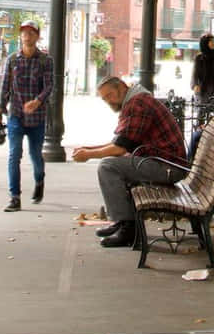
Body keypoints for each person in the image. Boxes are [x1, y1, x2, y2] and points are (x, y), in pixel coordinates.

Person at [71, 77, 189, 248]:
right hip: (160, 162)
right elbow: (120, 142)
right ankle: (122, 222)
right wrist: (88, 149)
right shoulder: (134, 100)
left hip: (168, 167)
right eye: (104, 99)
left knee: (108, 166)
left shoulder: (137, 104)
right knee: (113, 163)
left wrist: (88, 155)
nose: (108, 101)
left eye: (110, 95)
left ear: (122, 87)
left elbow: (120, 148)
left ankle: (128, 228)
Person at [0, 20, 53, 212]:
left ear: (37, 36)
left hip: (37, 118)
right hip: (16, 115)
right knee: (14, 155)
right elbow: (5, 87)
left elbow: (49, 86)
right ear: (21, 36)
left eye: (31, 33)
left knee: (35, 155)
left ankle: (39, 180)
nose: (27, 36)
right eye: (24, 33)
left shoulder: (46, 60)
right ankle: (15, 197)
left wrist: (37, 101)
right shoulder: (12, 60)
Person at [185, 33, 214, 157]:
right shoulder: (199, 58)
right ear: (205, 43)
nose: (213, 43)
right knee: (201, 117)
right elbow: (195, 74)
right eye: (211, 41)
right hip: (203, 92)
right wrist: (195, 85)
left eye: (213, 41)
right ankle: (198, 145)